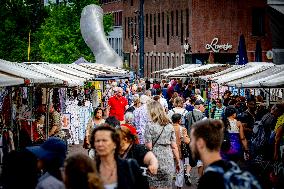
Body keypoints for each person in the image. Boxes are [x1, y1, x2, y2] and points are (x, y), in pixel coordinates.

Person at [189, 119, 261, 189]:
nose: (190, 144)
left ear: (200, 143)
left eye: (192, 140)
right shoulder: (242, 172)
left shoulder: (210, 179)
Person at [144, 101, 180, 189]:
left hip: (154, 158)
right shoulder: (169, 125)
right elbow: (174, 146)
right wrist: (178, 161)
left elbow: (149, 146)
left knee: (153, 185)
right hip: (168, 158)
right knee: (167, 186)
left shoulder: (149, 125)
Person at [171, 113, 191, 188]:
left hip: (169, 151)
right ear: (179, 120)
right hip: (179, 152)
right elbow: (186, 141)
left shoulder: (168, 127)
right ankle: (178, 186)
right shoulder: (182, 129)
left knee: (170, 169)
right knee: (180, 170)